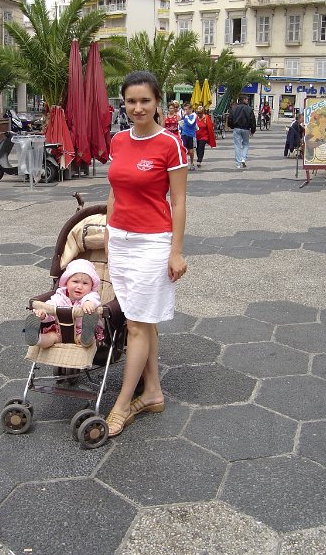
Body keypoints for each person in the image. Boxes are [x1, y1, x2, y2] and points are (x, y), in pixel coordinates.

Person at [105, 70, 188, 437]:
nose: (137, 107)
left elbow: (179, 202)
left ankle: (122, 405)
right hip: (120, 241)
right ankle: (152, 392)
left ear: (157, 103)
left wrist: (176, 252)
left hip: (152, 242)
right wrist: (107, 236)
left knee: (137, 325)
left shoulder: (170, 144)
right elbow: (114, 191)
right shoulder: (118, 140)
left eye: (145, 101)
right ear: (123, 103)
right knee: (142, 319)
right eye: (131, 101)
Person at [24, 259, 104, 348]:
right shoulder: (59, 296)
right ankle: (36, 339)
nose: (80, 286)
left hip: (82, 330)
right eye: (75, 282)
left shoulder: (91, 296)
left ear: (91, 286)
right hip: (61, 329)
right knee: (51, 336)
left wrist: (88, 303)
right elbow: (50, 309)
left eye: (85, 283)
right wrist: (43, 314)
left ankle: (86, 339)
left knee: (83, 338)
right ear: (66, 283)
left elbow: (94, 299)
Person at [228, 97, 256, 168]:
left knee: (237, 145)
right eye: (246, 99)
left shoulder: (234, 108)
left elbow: (230, 118)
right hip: (246, 128)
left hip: (237, 128)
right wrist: (253, 130)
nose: (247, 101)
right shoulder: (249, 109)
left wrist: (232, 126)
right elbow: (253, 120)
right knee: (246, 144)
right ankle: (243, 158)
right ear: (244, 100)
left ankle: (238, 163)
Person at [180, 103, 197, 171]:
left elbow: (191, 123)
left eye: (186, 109)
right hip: (184, 134)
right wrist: (180, 129)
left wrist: (186, 117)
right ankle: (184, 163)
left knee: (191, 150)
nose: (185, 111)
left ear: (191, 109)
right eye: (184, 109)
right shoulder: (184, 116)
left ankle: (192, 163)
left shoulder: (194, 115)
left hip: (191, 135)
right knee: (183, 149)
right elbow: (181, 122)